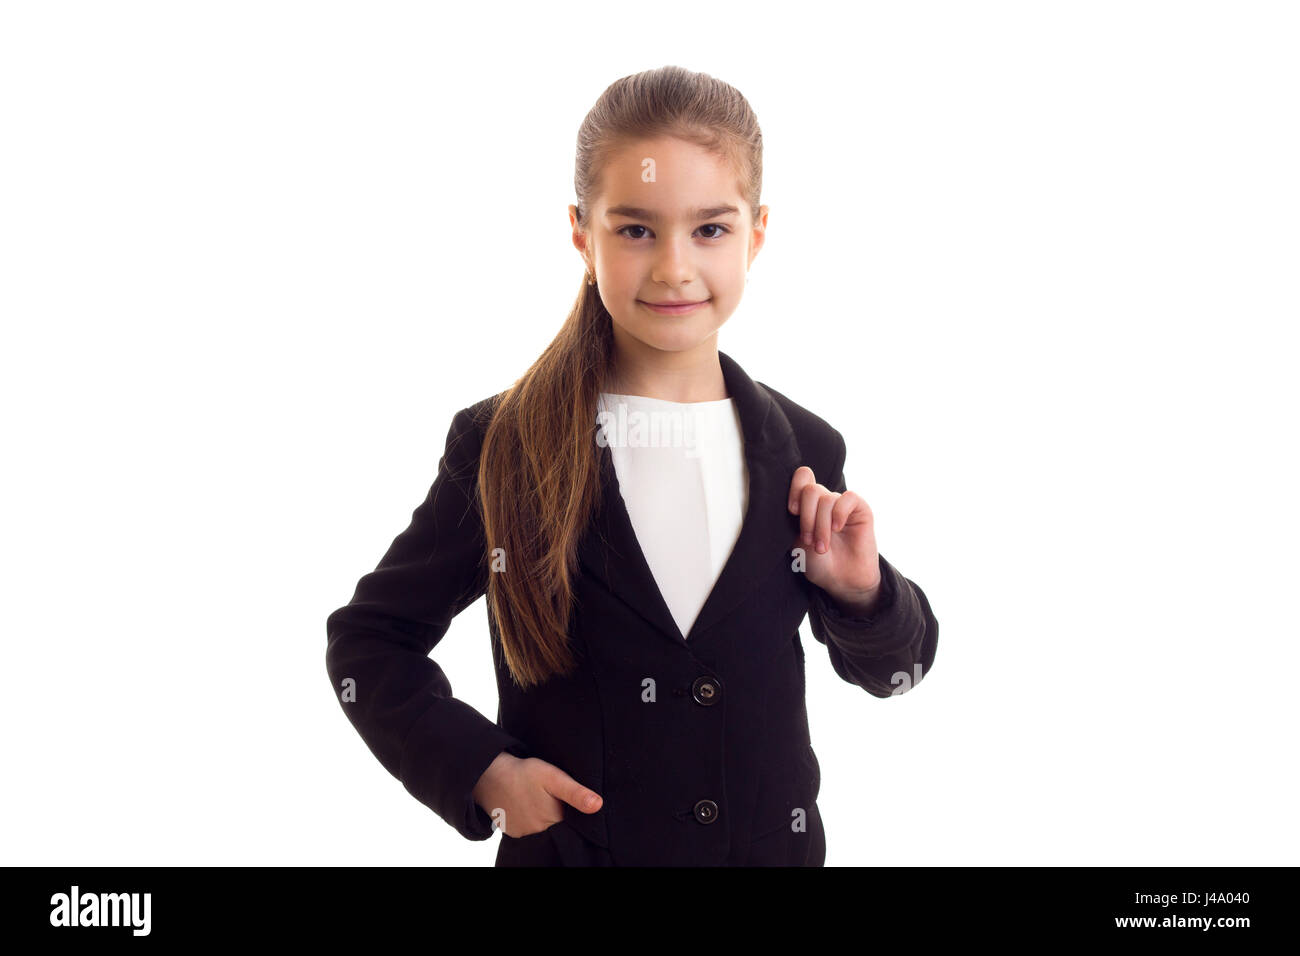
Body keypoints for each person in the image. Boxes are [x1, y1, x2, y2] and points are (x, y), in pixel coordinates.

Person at [325, 65, 939, 866]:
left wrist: (863, 594)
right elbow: (371, 642)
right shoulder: (502, 446)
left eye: (710, 230)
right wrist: (483, 773)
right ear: (583, 233)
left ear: (757, 235)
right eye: (637, 229)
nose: (675, 267)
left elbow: (900, 668)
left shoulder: (805, 446)